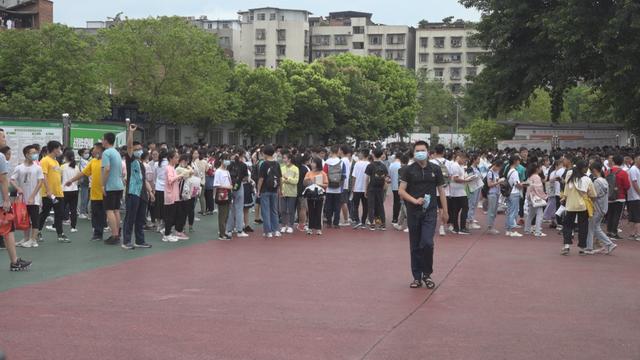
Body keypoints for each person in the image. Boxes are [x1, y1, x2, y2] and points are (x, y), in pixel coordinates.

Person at [399, 141, 448, 289]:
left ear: (428, 152)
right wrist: (414, 200)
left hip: (430, 212)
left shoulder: (435, 169)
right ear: (414, 153)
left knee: (427, 243)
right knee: (415, 246)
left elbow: (441, 191)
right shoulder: (408, 170)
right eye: (417, 150)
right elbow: (401, 191)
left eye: (423, 150)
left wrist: (444, 211)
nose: (420, 152)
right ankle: (417, 277)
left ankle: (427, 274)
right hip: (413, 212)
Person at [0, 129, 31, 271]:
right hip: (1, 203)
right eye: (2, 137)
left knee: (8, 231)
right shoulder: (0, 157)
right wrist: (6, 200)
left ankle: (15, 260)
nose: (4, 139)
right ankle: (14, 262)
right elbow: (3, 179)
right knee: (8, 230)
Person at [121, 124, 154, 249]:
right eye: (137, 149)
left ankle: (140, 241)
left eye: (140, 148)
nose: (139, 150)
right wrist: (131, 132)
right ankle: (126, 241)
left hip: (142, 194)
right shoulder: (130, 160)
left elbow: (143, 179)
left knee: (141, 218)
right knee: (130, 218)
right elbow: (129, 146)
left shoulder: (141, 163)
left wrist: (150, 192)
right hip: (133, 193)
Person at [66, 144, 106, 241]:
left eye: (95, 148)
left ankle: (111, 233)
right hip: (95, 193)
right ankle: (97, 233)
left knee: (104, 214)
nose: (93, 150)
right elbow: (83, 173)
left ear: (100, 149)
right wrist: (72, 180)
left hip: (106, 193)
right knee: (95, 214)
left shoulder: (107, 160)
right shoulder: (92, 161)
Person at [11, 145, 44, 248]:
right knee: (25, 219)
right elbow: (12, 180)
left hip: (34, 199)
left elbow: (40, 183)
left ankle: (33, 240)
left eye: (36, 153)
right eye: (32, 153)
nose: (35, 155)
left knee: (34, 218)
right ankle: (26, 238)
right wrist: (18, 188)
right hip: (22, 199)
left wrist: (32, 196)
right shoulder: (19, 167)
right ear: (26, 154)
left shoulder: (38, 167)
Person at [561, 160, 596, 256]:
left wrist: (564, 199)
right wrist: (591, 202)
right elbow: (593, 194)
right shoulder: (587, 179)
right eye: (586, 167)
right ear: (583, 168)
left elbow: (566, 192)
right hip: (583, 206)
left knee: (568, 226)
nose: (587, 169)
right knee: (583, 227)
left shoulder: (570, 178)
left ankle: (566, 245)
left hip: (570, 205)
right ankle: (582, 248)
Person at [38, 141, 68, 242]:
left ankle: (60, 234)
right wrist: (48, 191)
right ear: (54, 149)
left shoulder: (55, 161)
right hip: (48, 194)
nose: (60, 151)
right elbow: (43, 176)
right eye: (59, 148)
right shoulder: (45, 160)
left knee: (59, 214)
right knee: (45, 213)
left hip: (58, 193)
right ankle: (37, 231)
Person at [586, 162, 617, 254]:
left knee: (592, 228)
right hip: (603, 207)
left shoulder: (597, 181)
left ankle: (590, 247)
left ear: (594, 170)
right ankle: (608, 244)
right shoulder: (604, 180)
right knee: (595, 227)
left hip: (597, 208)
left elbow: (594, 195)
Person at [101, 132, 125, 245]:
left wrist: (102, 184)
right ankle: (117, 233)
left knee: (109, 210)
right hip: (119, 185)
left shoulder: (106, 153)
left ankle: (114, 235)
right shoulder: (116, 152)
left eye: (102, 139)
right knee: (116, 210)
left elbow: (106, 169)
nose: (101, 141)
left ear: (106, 140)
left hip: (110, 186)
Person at [257, 145, 282, 238]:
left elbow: (261, 179)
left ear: (265, 153)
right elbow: (280, 178)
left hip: (265, 190)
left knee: (265, 211)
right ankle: (276, 230)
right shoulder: (277, 163)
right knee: (274, 210)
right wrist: (280, 189)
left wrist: (258, 190)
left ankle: (268, 231)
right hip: (275, 189)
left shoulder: (264, 164)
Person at [162, 150, 185, 242]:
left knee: (174, 215)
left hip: (174, 195)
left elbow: (174, 181)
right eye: (176, 157)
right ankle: (166, 234)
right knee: (170, 216)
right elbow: (170, 180)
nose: (177, 159)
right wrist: (180, 175)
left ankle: (168, 232)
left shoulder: (172, 168)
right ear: (171, 158)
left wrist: (180, 177)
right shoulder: (169, 168)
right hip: (170, 195)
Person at [605, 155, 629, 239]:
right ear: (622, 162)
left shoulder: (608, 171)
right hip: (620, 196)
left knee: (610, 214)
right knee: (617, 215)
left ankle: (608, 231)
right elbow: (627, 186)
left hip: (609, 196)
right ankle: (614, 232)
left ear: (613, 161)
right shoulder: (623, 172)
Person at [226, 149, 249, 238]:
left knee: (231, 209)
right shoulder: (243, 165)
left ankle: (229, 230)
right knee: (239, 209)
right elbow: (246, 178)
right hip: (239, 187)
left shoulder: (229, 164)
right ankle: (239, 230)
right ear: (241, 155)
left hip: (229, 187)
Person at [448, 152, 472, 235]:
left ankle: (456, 228)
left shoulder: (460, 166)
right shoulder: (455, 166)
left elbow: (460, 177)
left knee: (457, 209)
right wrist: (466, 180)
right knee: (464, 208)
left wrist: (467, 178)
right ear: (459, 158)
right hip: (457, 191)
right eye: (464, 160)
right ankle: (462, 227)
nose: (465, 162)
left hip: (460, 190)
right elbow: (455, 179)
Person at [365, 148, 389, 231]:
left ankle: (372, 223)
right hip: (380, 188)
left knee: (371, 206)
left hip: (371, 188)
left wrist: (365, 190)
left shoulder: (370, 165)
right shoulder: (383, 165)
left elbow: (367, 179)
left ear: (373, 155)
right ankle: (383, 224)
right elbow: (386, 178)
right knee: (380, 205)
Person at [323, 145, 346, 228]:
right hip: (338, 187)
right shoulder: (341, 162)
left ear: (331, 152)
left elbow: (324, 174)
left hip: (329, 187)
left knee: (328, 205)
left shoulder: (327, 162)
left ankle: (329, 222)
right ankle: (336, 223)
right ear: (337, 152)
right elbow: (343, 175)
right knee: (337, 206)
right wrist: (341, 186)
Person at [303, 157, 328, 235]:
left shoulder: (323, 173)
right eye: (311, 162)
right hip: (310, 193)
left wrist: (319, 184)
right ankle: (310, 228)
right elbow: (304, 183)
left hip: (320, 194)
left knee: (319, 211)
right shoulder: (309, 173)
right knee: (310, 210)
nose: (312, 164)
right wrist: (308, 181)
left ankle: (318, 228)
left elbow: (326, 184)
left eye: (313, 162)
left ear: (318, 164)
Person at [430, 144, 450, 236]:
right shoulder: (449, 163)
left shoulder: (430, 162)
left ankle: (430, 226)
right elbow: (451, 177)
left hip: (432, 189)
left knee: (431, 209)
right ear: (444, 152)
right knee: (442, 209)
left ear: (435, 151)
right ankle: (442, 227)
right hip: (445, 190)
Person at [524, 162, 548, 237]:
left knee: (531, 214)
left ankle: (527, 229)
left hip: (531, 197)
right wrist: (544, 196)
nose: (541, 169)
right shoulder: (537, 177)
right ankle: (538, 231)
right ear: (537, 169)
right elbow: (539, 189)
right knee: (539, 214)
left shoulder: (530, 177)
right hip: (537, 198)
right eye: (540, 168)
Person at [61, 149, 81, 233]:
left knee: (61, 208)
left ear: (65, 157)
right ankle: (73, 227)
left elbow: (59, 178)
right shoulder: (76, 167)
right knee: (73, 209)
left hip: (64, 190)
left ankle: (56, 225)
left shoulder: (63, 166)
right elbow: (79, 179)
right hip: (74, 190)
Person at [213, 154, 232, 240]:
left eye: (228, 159)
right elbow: (216, 185)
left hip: (228, 193)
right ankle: (222, 233)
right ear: (221, 160)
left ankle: (224, 232)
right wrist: (227, 187)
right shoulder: (218, 171)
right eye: (226, 159)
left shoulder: (227, 171)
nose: (227, 161)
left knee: (227, 214)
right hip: (222, 194)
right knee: (222, 214)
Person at [279, 151, 299, 234]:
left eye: (285, 158)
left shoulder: (295, 168)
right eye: (283, 158)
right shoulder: (282, 168)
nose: (283, 159)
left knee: (291, 210)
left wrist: (288, 179)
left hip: (292, 192)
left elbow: (296, 181)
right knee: (283, 210)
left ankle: (290, 225)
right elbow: (280, 179)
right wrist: (286, 180)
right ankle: (283, 225)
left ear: (289, 159)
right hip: (283, 191)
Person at [505, 155, 524, 237]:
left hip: (509, 193)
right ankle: (511, 230)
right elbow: (517, 184)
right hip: (514, 193)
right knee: (513, 212)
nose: (519, 162)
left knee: (510, 211)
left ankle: (508, 229)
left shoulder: (510, 170)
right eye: (518, 161)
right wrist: (524, 185)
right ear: (515, 161)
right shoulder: (515, 172)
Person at [351, 149, 369, 229]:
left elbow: (354, 176)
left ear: (362, 154)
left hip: (357, 188)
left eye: (360, 153)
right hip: (365, 188)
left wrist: (353, 187)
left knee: (355, 205)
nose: (359, 155)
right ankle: (363, 221)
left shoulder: (357, 163)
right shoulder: (369, 164)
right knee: (365, 206)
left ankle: (357, 220)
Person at [485, 160, 504, 235]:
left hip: (496, 193)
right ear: (495, 165)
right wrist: (499, 182)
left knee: (494, 211)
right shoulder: (490, 172)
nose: (499, 169)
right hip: (492, 193)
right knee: (491, 211)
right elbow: (489, 184)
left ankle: (491, 226)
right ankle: (490, 227)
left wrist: (499, 181)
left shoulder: (496, 172)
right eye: (499, 167)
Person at [465, 155, 482, 230]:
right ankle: (469, 222)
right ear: (474, 160)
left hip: (478, 187)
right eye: (478, 159)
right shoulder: (470, 168)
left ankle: (471, 219)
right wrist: (474, 177)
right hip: (472, 188)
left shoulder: (477, 168)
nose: (479, 161)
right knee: (471, 204)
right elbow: (469, 178)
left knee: (475, 204)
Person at [625, 155, 640, 241]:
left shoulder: (636, 169)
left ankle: (632, 234)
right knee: (637, 217)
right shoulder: (634, 169)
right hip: (635, 196)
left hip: (633, 197)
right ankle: (637, 234)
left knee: (633, 217)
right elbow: (634, 183)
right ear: (636, 160)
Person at [338, 145, 353, 226]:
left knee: (343, 202)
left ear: (342, 151)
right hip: (345, 183)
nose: (338, 151)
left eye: (339, 150)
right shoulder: (346, 160)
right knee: (343, 202)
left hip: (342, 184)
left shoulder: (343, 160)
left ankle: (346, 220)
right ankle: (346, 219)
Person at [295, 153, 310, 232]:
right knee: (303, 208)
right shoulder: (306, 168)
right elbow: (308, 180)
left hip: (296, 189)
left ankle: (299, 223)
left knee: (299, 207)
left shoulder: (296, 167)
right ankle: (302, 224)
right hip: (304, 190)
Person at [389, 153, 402, 226]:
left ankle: (395, 218)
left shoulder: (391, 165)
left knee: (396, 202)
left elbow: (389, 176)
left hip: (394, 186)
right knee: (402, 203)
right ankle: (403, 217)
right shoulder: (401, 165)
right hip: (402, 186)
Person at [77, 148, 90, 219]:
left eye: (88, 152)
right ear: (82, 154)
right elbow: (84, 171)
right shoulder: (82, 161)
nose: (87, 154)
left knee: (87, 197)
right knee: (84, 196)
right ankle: (82, 212)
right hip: (85, 180)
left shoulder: (86, 161)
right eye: (85, 153)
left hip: (88, 180)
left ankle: (84, 211)